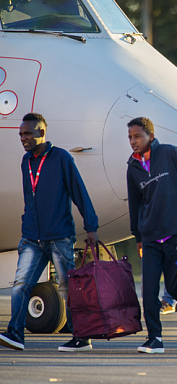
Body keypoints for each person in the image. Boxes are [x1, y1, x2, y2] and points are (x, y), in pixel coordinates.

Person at [0, 113, 99, 352]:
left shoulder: (62, 158)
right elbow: (29, 197)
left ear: (41, 133)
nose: (23, 138)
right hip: (32, 238)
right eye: (21, 134)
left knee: (67, 287)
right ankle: (15, 333)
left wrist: (91, 227)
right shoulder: (26, 161)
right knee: (21, 284)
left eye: (27, 134)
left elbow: (79, 193)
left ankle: (81, 337)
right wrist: (27, 224)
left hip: (59, 237)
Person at [126, 117, 177, 354]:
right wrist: (137, 236)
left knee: (174, 286)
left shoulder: (171, 153)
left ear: (150, 136)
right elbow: (135, 203)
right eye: (130, 137)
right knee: (148, 289)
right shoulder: (132, 166)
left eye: (137, 136)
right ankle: (155, 338)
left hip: (176, 233)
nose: (133, 141)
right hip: (150, 237)